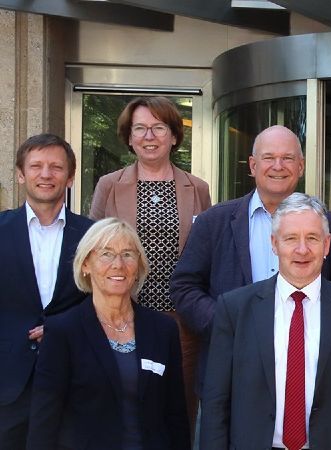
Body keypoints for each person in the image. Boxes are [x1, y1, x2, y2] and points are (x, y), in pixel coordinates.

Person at [170, 125, 331, 398]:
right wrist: (226, 324)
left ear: (301, 166)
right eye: (269, 158)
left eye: (288, 158)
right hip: (231, 369)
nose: (278, 166)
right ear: (253, 165)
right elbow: (184, 287)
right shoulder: (214, 221)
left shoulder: (323, 223)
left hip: (306, 369)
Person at [200, 193, 331, 449]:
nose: (302, 250)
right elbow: (215, 402)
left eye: (312, 238)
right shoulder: (234, 308)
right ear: (274, 243)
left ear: (328, 244)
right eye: (291, 239)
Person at [89, 96, 211, 434]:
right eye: (140, 128)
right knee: (124, 403)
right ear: (129, 137)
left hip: (181, 322)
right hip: (122, 315)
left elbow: (205, 255)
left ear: (174, 136)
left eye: (159, 127)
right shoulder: (109, 186)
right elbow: (90, 249)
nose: (149, 136)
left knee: (178, 407)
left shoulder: (197, 188)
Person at [26, 218, 190, 449]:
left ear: (139, 266)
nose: (118, 264)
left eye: (127, 254)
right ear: (86, 265)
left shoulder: (163, 329)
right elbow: (44, 421)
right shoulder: (63, 331)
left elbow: (176, 416)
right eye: (106, 254)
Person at [0, 134, 93, 449]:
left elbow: (107, 300)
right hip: (7, 384)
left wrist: (61, 327)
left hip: (74, 377)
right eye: (36, 166)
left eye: (56, 167)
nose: (45, 174)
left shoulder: (93, 235)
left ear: (69, 177)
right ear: (20, 174)